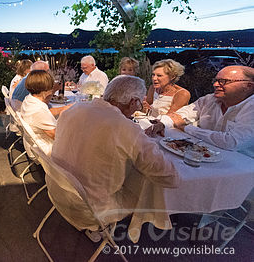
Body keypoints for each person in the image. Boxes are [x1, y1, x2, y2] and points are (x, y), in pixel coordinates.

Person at [50, 75, 179, 242]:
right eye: (139, 103)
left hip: (58, 192)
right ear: (133, 102)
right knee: (145, 186)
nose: (138, 108)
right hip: (89, 209)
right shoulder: (125, 128)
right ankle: (106, 228)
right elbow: (169, 176)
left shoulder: (73, 109)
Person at [146, 66, 254, 154]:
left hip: (241, 169)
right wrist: (162, 123)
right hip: (204, 156)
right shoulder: (209, 100)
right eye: (216, 80)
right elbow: (183, 114)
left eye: (224, 81)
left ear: (248, 86)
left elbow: (231, 142)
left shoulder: (251, 108)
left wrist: (187, 128)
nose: (215, 85)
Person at [20, 70, 70, 154]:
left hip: (34, 145)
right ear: (47, 89)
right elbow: (59, 138)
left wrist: (64, 108)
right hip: (47, 151)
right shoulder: (39, 110)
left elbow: (46, 114)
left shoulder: (29, 99)